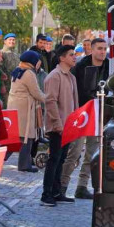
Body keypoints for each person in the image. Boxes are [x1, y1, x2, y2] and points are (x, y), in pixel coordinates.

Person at [67, 38, 111, 199]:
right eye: (99, 48)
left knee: (92, 152)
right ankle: (61, 186)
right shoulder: (80, 66)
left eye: (104, 48)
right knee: (75, 151)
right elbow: (73, 88)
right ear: (91, 49)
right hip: (81, 113)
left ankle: (82, 186)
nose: (102, 51)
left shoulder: (110, 66)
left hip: (99, 114)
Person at [41, 45, 79, 206]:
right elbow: (50, 101)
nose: (74, 57)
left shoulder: (70, 77)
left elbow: (74, 102)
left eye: (74, 55)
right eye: (71, 55)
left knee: (61, 159)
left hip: (68, 125)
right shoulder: (54, 76)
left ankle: (57, 192)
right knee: (54, 159)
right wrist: (57, 124)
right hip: (58, 126)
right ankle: (46, 194)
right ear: (62, 58)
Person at [8, 51, 47, 173]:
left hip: (16, 105)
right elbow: (36, 92)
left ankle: (0, 158)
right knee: (26, 136)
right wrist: (50, 100)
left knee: (16, 136)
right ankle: (24, 164)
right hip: (25, 107)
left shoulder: (18, 69)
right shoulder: (29, 73)